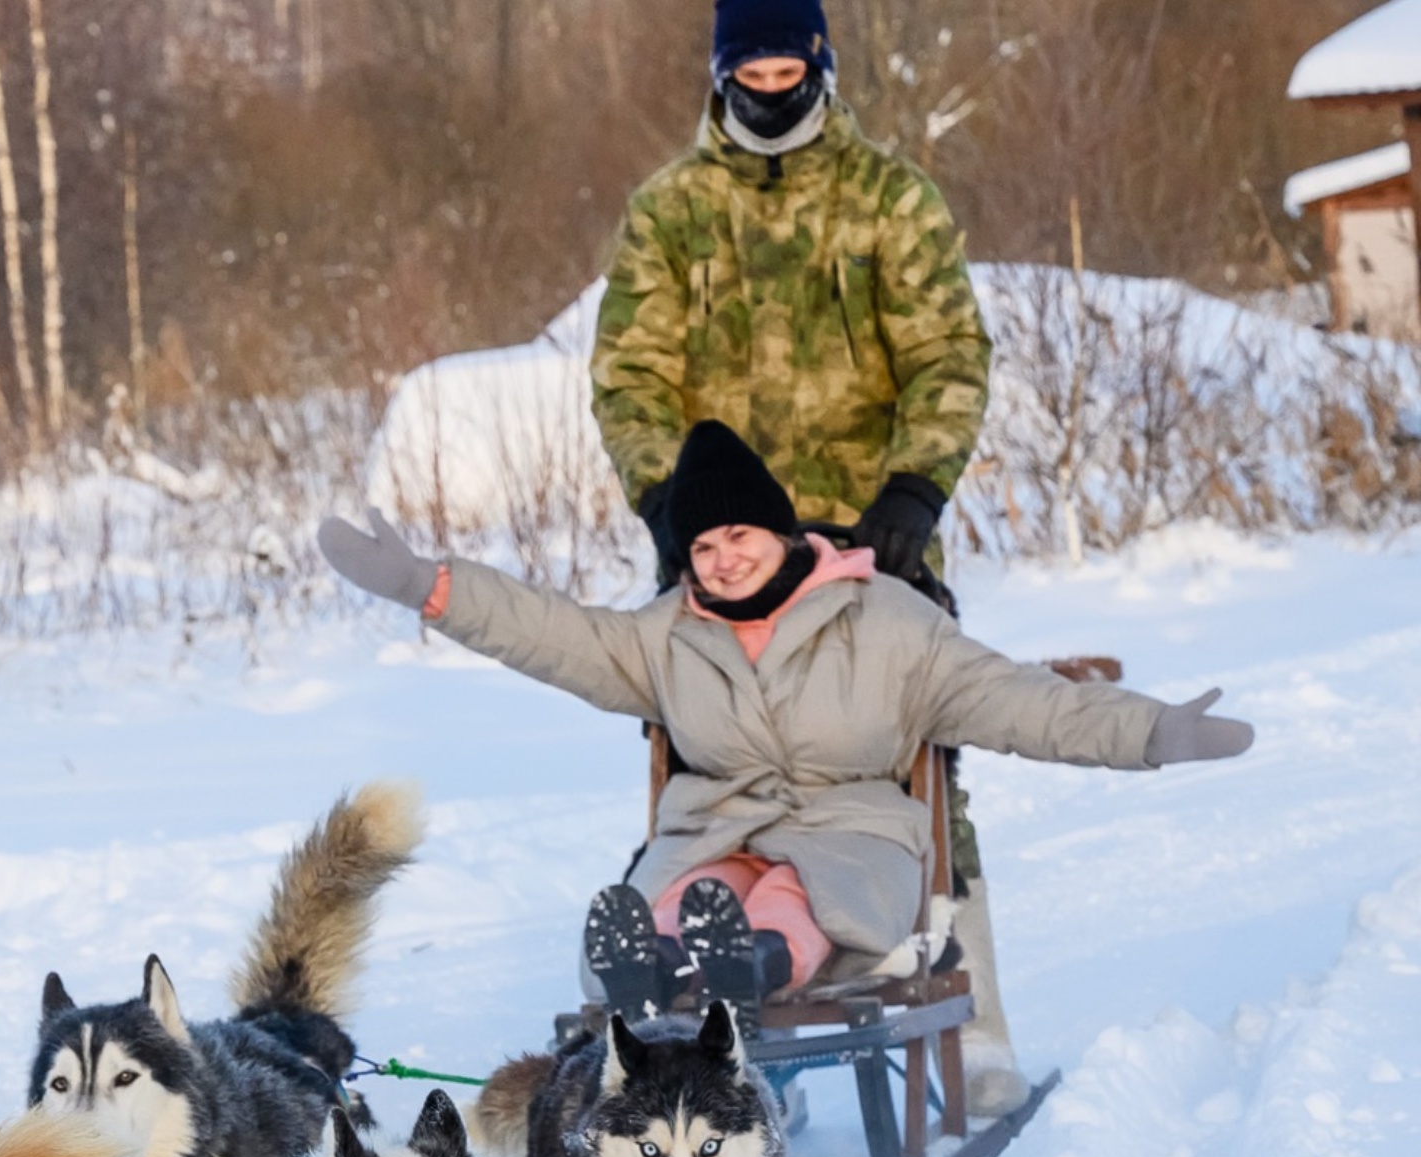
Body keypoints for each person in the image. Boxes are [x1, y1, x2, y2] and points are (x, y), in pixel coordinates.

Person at [317, 422, 1253, 1037]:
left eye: (740, 537)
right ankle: (659, 959)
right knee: (701, 885)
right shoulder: (666, 636)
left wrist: (1154, 734)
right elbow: (552, 634)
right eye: (704, 548)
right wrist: (429, 587)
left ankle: (751, 967)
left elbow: (1025, 704)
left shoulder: (888, 621)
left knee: (794, 893)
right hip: (715, 829)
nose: (723, 561)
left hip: (849, 839)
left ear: (779, 530)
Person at [587, 0, 1034, 1102]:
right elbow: (630, 377)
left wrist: (914, 493)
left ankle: (971, 1023)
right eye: (752, 71)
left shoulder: (890, 198)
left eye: (791, 70)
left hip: (868, 547)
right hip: (721, 562)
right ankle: (704, 1011)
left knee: (918, 775)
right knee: (708, 774)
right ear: (721, 73)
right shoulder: (670, 212)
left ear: (822, 66)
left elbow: (948, 352)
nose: (771, 89)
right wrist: (665, 508)